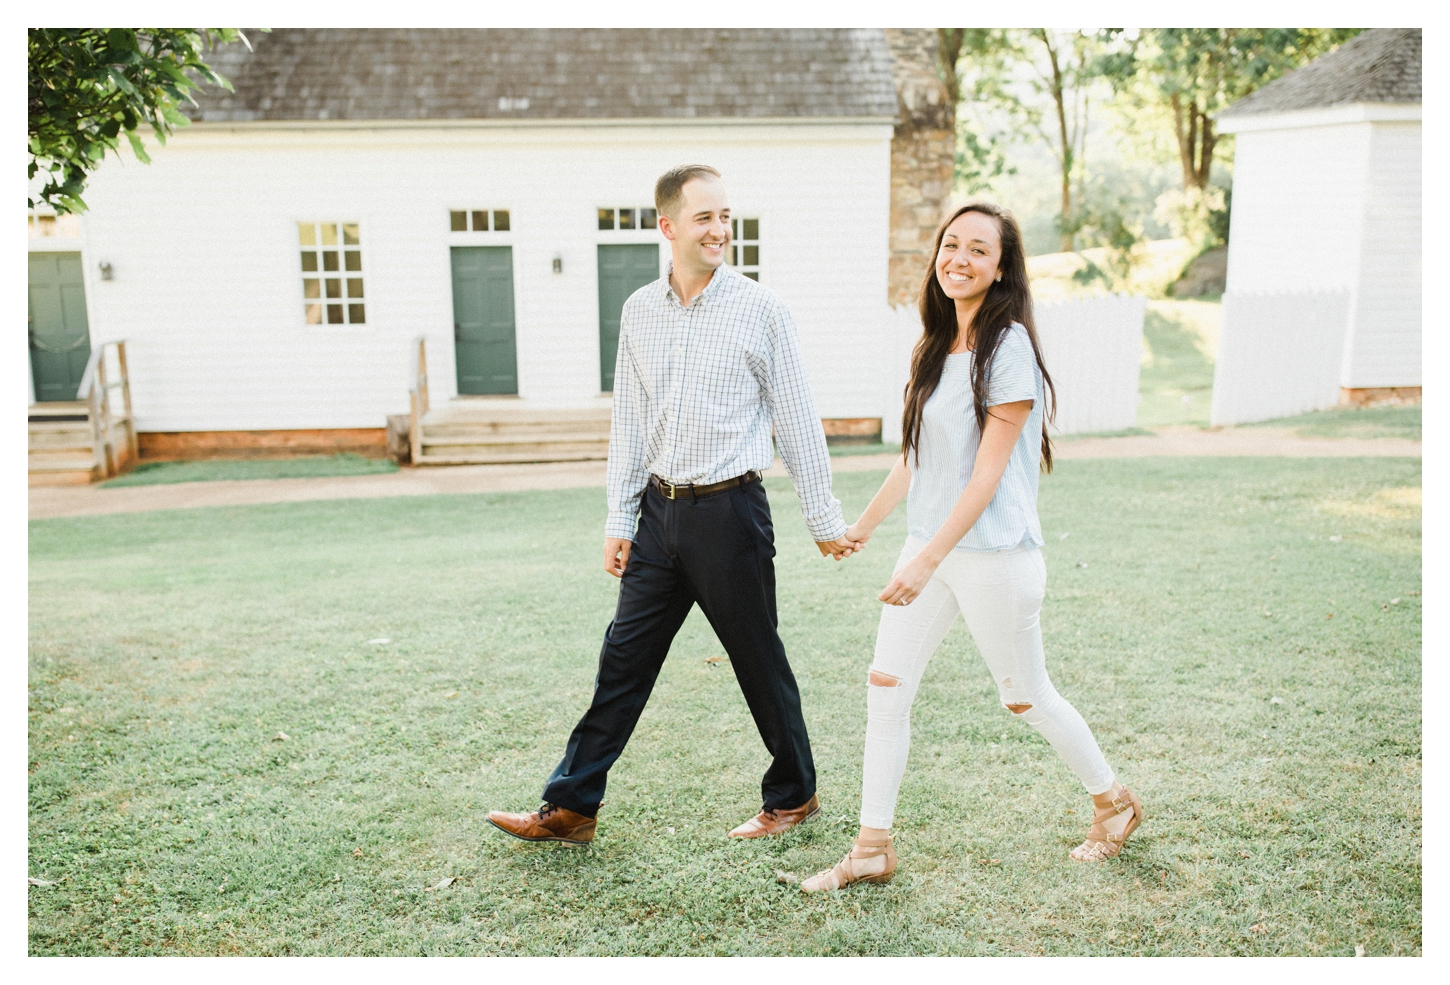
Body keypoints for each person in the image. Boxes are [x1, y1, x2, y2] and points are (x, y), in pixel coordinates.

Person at [487, 165, 862, 846]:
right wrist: (619, 518)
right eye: (704, 218)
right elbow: (630, 421)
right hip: (659, 516)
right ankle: (571, 805)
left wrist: (823, 518)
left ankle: (794, 794)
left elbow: (798, 420)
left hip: (731, 514)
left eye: (726, 216)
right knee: (621, 659)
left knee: (757, 658)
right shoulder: (638, 311)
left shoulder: (762, 310)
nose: (720, 229)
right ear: (668, 227)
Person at [800, 202, 1144, 892]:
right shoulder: (933, 344)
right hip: (931, 546)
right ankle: (871, 847)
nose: (959, 258)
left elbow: (985, 476)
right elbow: (915, 457)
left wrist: (926, 560)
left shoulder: (1006, 345)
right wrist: (864, 527)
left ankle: (1114, 801)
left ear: (1001, 267)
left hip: (995, 554)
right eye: (950, 244)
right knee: (886, 687)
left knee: (1025, 697)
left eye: (978, 249)